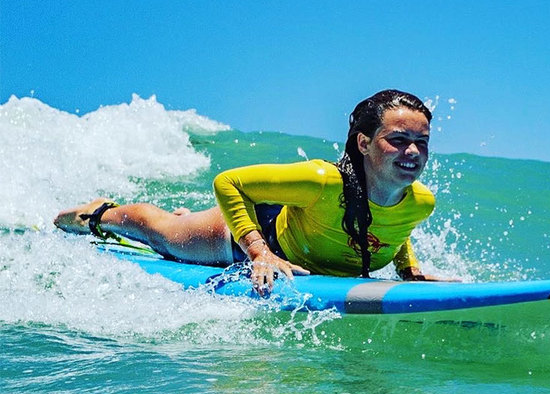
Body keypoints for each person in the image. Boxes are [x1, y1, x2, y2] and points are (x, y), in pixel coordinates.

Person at [55, 89, 445, 294]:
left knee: (174, 228)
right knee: (160, 234)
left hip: (289, 237)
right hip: (247, 235)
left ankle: (181, 217)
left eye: (421, 142)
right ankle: (97, 213)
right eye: (398, 139)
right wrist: (260, 251)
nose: (413, 151)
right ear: (363, 143)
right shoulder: (323, 181)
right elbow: (228, 182)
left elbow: (397, 226)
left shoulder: (420, 202)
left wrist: (409, 271)